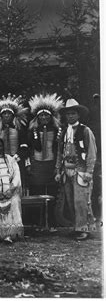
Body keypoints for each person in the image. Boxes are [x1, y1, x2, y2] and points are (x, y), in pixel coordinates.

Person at [55, 98, 97, 240]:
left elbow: (91, 152)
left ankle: (83, 228)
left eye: (73, 113)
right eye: (68, 114)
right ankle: (77, 226)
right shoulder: (63, 132)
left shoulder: (85, 131)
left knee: (81, 200)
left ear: (78, 115)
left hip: (81, 170)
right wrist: (58, 170)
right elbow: (60, 152)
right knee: (70, 200)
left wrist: (89, 171)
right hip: (67, 170)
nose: (70, 116)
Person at [26, 93, 64, 230]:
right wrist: (28, 164)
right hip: (36, 165)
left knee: (52, 194)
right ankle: (38, 223)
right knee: (36, 193)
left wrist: (58, 167)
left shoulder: (58, 130)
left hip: (51, 164)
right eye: (41, 115)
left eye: (46, 115)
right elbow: (28, 148)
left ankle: (52, 223)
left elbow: (60, 149)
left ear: (51, 116)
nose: (44, 117)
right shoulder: (32, 130)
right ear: (37, 117)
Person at [0, 94, 29, 195]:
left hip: (16, 160)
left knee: (16, 183)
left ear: (13, 115)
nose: (6, 115)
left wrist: (18, 156)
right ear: (1, 116)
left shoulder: (20, 129)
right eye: (4, 114)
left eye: (9, 113)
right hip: (1, 160)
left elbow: (24, 145)